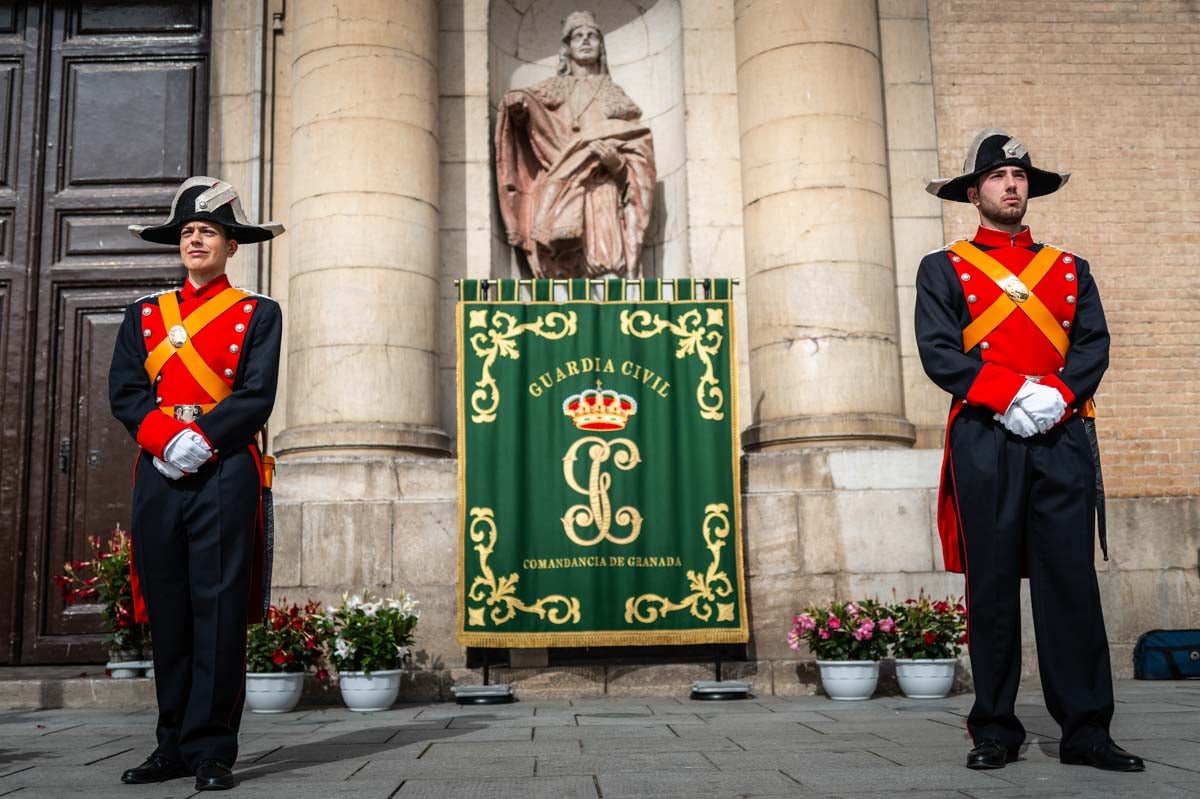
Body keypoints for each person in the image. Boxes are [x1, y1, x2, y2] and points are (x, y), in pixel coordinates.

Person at [915, 130, 1143, 773]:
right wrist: (1008, 394)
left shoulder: (1071, 269)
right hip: (986, 434)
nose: (1011, 185)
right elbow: (939, 351)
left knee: (1069, 582)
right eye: (997, 177)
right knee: (990, 586)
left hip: (1062, 432)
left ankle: (1087, 731)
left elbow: (1092, 345)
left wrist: (1060, 395)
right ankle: (994, 728)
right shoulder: (943, 267)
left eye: (1019, 176)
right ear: (973, 192)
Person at [110, 177, 284, 791]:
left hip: (223, 470)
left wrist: (202, 440)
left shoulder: (258, 313)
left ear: (231, 245)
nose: (195, 240)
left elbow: (256, 395)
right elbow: (126, 393)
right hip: (160, 473)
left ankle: (212, 750)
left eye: (207, 231)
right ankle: (171, 747)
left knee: (217, 610)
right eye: (187, 232)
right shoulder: (144, 315)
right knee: (171, 612)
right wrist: (165, 440)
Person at [495, 9, 656, 279]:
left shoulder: (614, 95)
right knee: (559, 275)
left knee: (606, 271)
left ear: (601, 46)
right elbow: (529, 116)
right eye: (577, 36)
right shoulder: (550, 90)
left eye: (592, 36)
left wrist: (615, 164)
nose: (585, 41)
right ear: (566, 48)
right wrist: (519, 107)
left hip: (601, 190)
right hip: (558, 187)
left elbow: (638, 152)